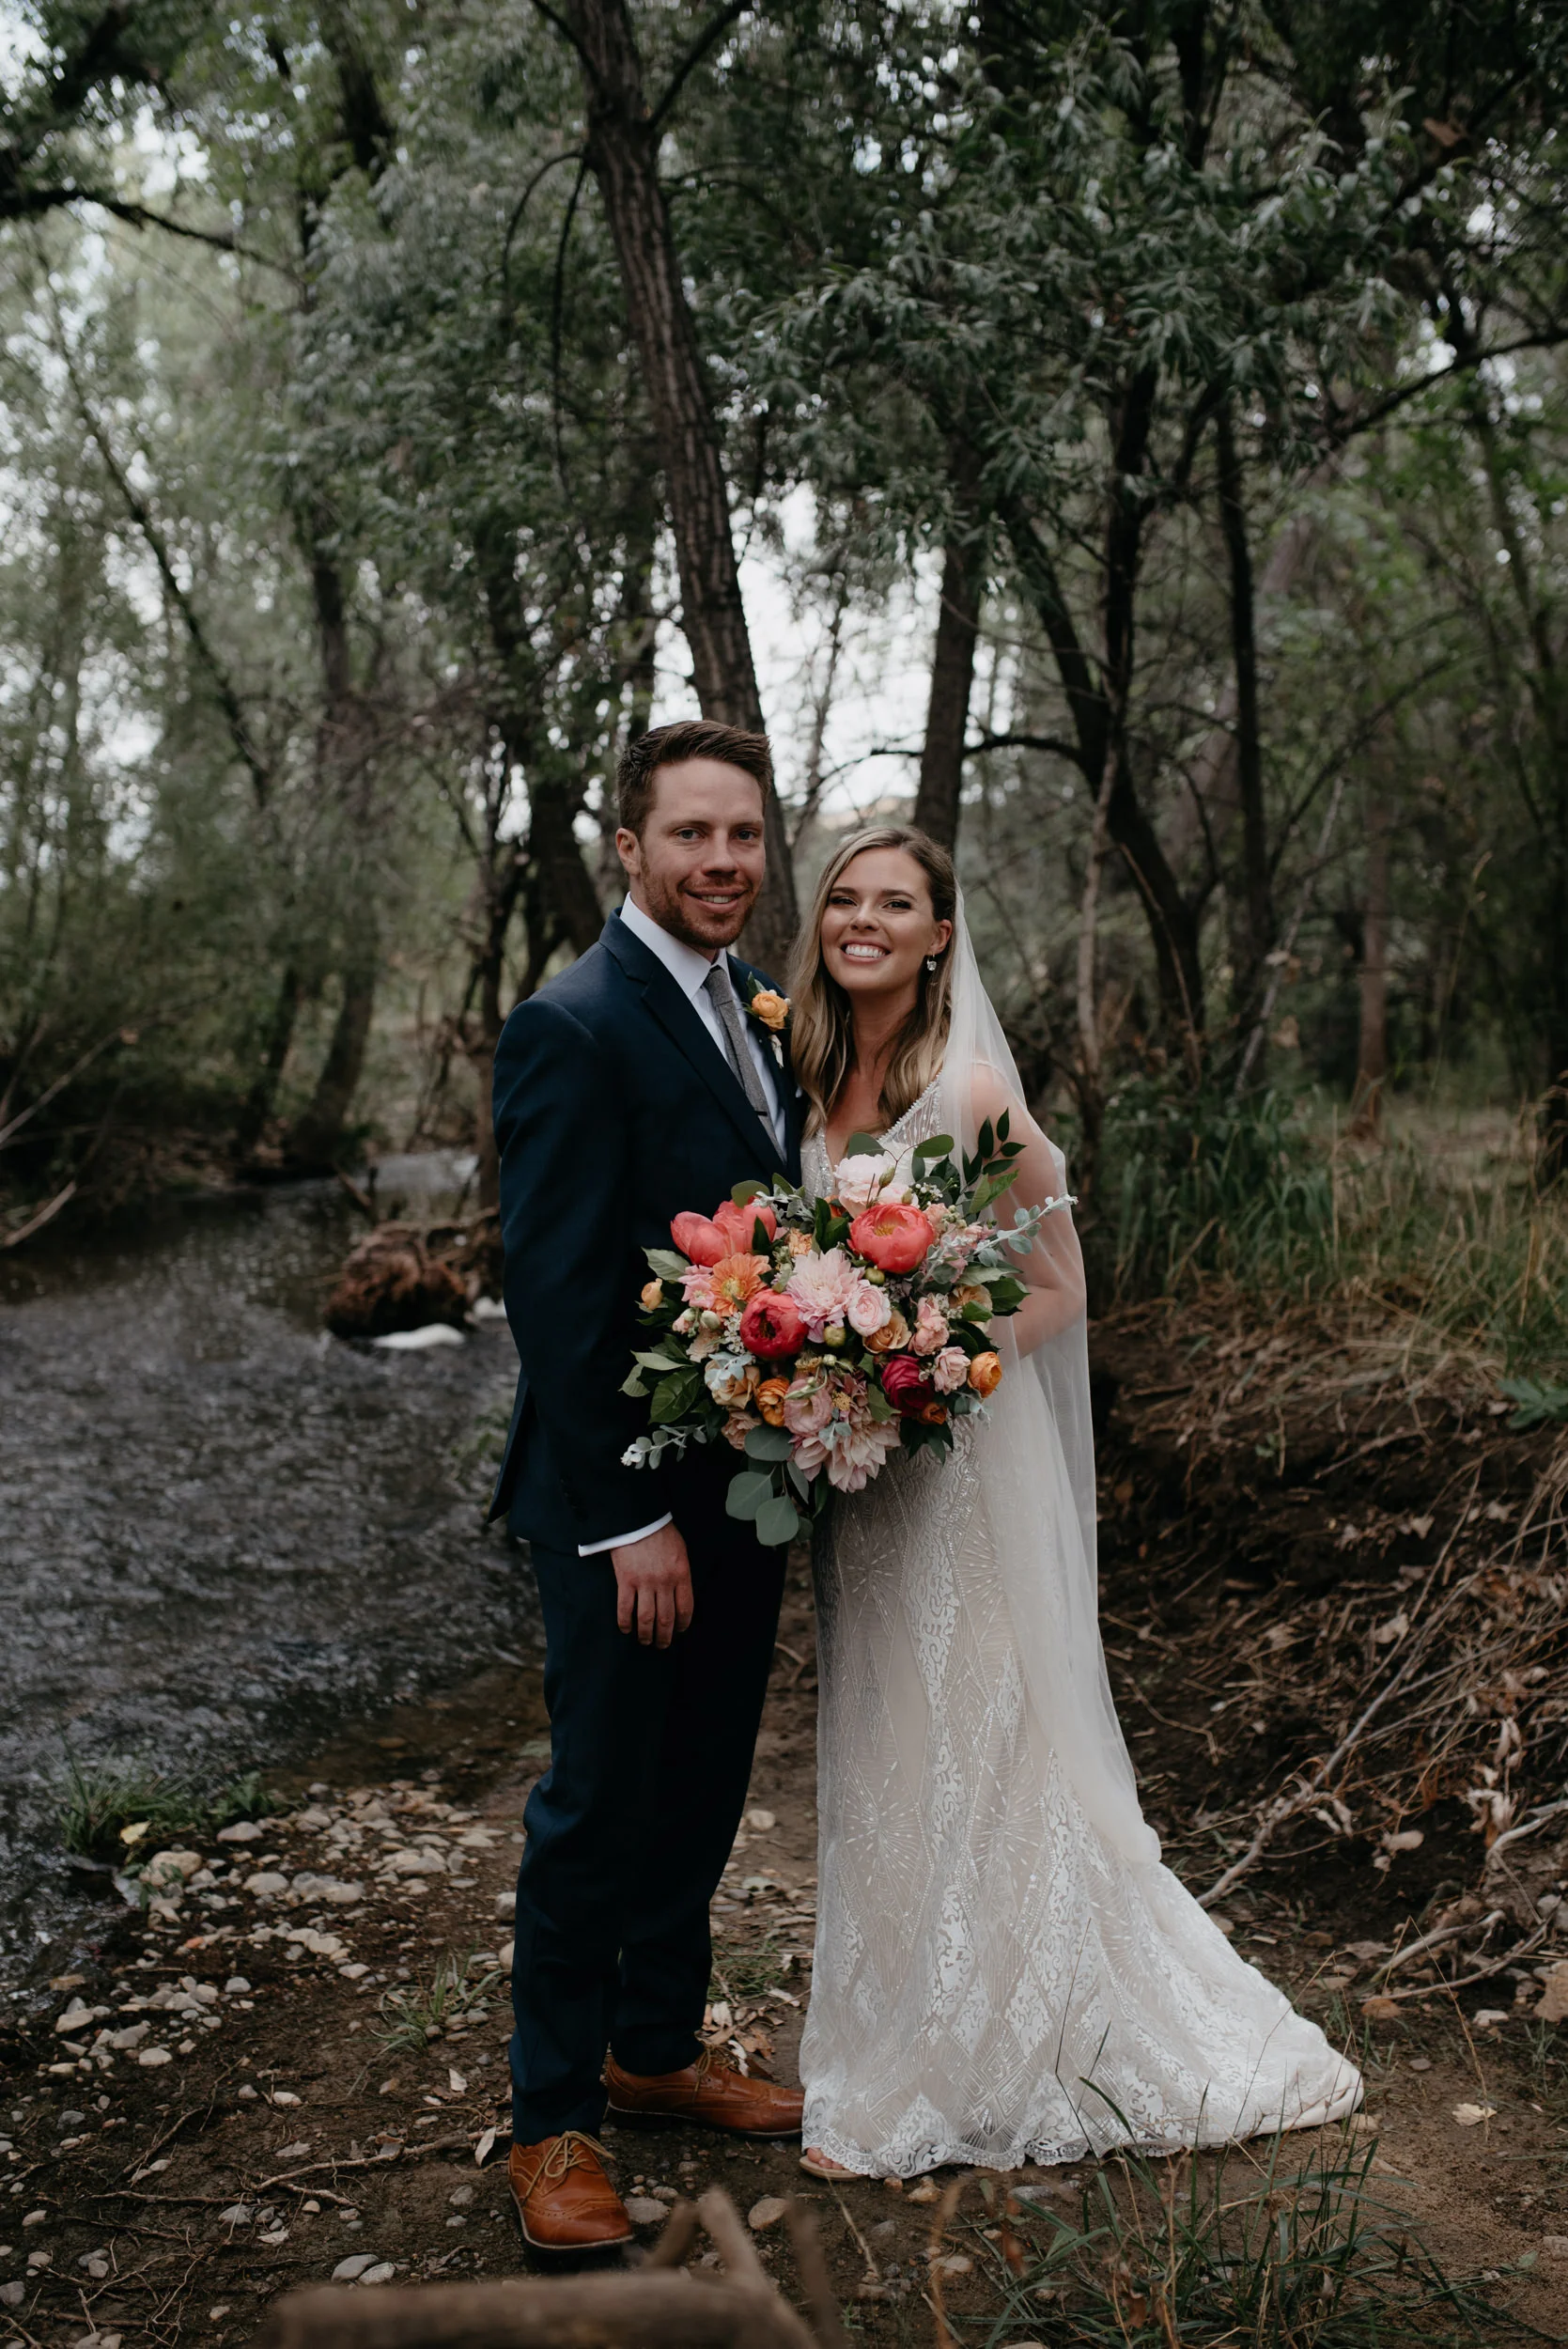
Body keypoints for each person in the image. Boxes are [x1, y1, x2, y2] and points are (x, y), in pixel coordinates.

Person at [788, 822, 1362, 2180]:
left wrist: (928, 1363)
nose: (865, 920)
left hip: (956, 1472)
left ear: (941, 937)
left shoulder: (969, 1088)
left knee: (987, 1742)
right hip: (863, 1481)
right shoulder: (806, 1080)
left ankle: (1003, 2048)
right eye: (845, 900)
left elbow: (1060, 1287)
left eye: (898, 904)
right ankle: (902, 2028)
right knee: (887, 1743)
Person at [489, 719, 806, 2252]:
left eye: (743, 836)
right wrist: (625, 1518)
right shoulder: (575, 1021)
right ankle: (551, 2123)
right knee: (598, 1800)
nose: (722, 862)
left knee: (703, 1783)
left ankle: (654, 2048)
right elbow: (550, 1297)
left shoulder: (752, 1004)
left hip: (744, 1476)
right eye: (691, 835)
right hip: (618, 1500)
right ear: (631, 845)